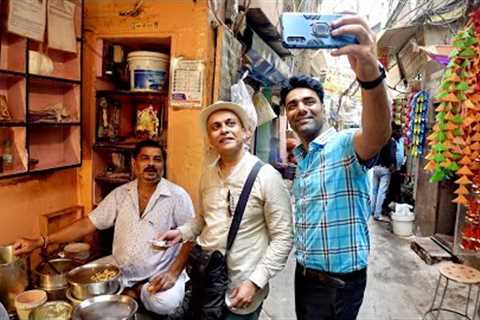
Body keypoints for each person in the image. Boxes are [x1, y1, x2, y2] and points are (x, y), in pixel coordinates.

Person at [281, 14, 391, 320]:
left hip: (339, 286)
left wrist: (370, 75)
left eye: (309, 101)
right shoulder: (303, 158)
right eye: (292, 105)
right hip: (305, 277)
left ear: (323, 106)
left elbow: (378, 134)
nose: (300, 108)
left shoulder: (344, 145)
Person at [13, 140, 195, 316]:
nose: (151, 164)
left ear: (163, 164)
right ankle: (127, 289)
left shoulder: (177, 196)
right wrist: (40, 241)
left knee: (165, 303)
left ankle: (137, 291)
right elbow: (87, 223)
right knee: (81, 282)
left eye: (157, 159)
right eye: (145, 158)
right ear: (134, 163)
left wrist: (173, 272)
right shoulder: (121, 194)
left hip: (160, 271)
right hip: (121, 267)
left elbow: (190, 236)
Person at [160, 101, 293, 319]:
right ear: (211, 140)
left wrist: (255, 281)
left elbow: (283, 238)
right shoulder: (208, 175)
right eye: (216, 127)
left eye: (230, 123)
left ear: (246, 132)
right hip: (207, 280)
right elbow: (204, 220)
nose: (223, 129)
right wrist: (182, 232)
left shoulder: (267, 176)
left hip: (242, 288)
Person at [370, 124, 397, 221]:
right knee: (382, 192)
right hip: (385, 169)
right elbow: (392, 156)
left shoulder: (378, 140)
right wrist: (392, 164)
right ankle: (377, 214)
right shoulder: (391, 141)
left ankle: (371, 211)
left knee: (374, 190)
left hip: (376, 167)